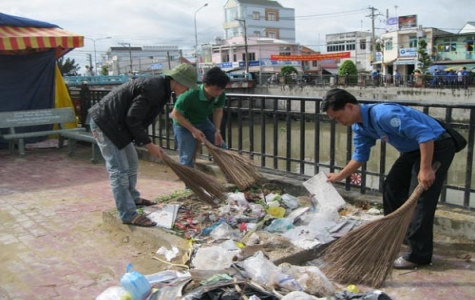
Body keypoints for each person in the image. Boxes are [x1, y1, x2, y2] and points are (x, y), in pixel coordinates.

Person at [321, 88, 455, 269]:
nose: (338, 122)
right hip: (413, 150)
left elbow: (424, 134)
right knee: (391, 187)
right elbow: (360, 156)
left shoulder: (383, 114)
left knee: (422, 198)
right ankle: (401, 235)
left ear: (349, 107)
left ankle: (419, 255)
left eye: (337, 117)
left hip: (436, 144)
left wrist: (425, 169)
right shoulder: (360, 126)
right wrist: (339, 176)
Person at [88, 63, 199, 227]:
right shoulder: (155, 89)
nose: (187, 90)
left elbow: (134, 118)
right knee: (119, 171)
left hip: (117, 126)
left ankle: (133, 198)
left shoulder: (162, 89)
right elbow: (133, 119)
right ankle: (128, 214)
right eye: (187, 86)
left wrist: (149, 143)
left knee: (132, 163)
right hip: (105, 125)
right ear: (178, 81)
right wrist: (149, 145)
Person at [171, 66, 230, 168]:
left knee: (222, 148)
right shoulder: (189, 94)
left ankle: (230, 176)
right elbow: (175, 114)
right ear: (206, 85)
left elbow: (218, 110)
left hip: (202, 121)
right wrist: (193, 130)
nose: (219, 93)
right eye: (216, 89)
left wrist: (217, 131)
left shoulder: (220, 94)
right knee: (187, 157)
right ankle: (189, 183)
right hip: (183, 125)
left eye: (222, 89)